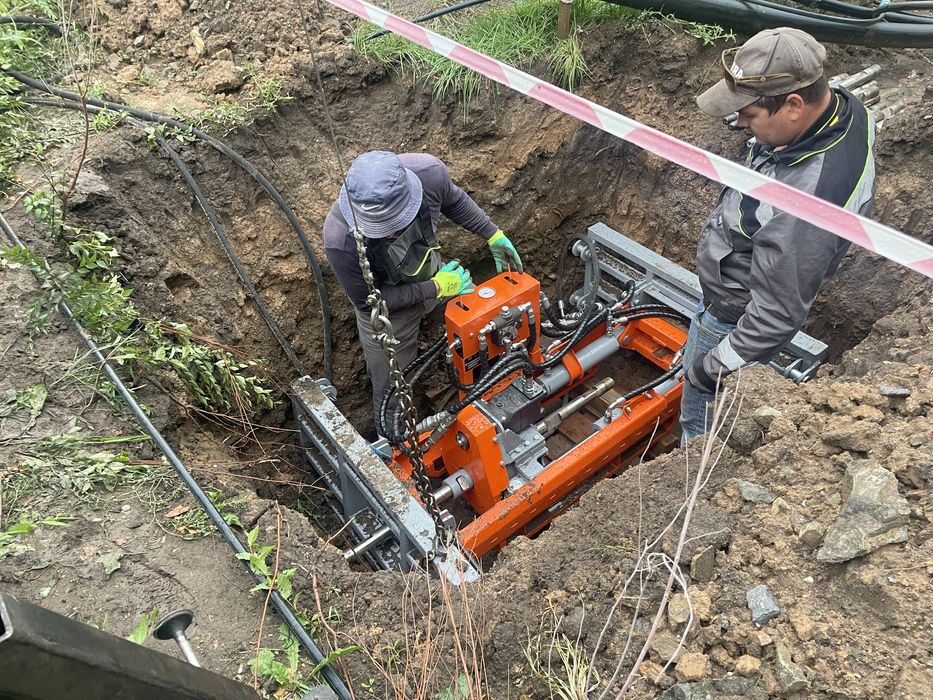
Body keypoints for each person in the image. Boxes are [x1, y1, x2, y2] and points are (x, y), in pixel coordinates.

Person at [680, 27, 875, 442]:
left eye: (749, 114)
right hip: (743, 285)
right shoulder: (840, 109)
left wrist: (708, 370)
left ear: (793, 106)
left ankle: (688, 470)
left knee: (700, 425)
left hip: (733, 319)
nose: (740, 124)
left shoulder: (804, 206)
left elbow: (775, 315)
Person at [323, 150, 522, 431]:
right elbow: (370, 302)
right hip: (388, 308)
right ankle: (394, 439)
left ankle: (504, 389)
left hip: (433, 273)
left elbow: (453, 200)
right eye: (379, 229)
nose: (388, 233)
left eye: (394, 223)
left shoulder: (429, 174)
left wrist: (492, 234)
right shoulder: (340, 240)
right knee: (392, 391)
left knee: (487, 324)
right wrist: (436, 287)